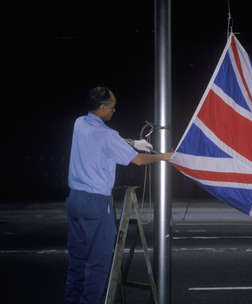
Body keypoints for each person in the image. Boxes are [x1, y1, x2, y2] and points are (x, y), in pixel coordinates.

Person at [65, 86, 173, 304]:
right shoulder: (107, 135)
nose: (114, 111)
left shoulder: (80, 123)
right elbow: (139, 160)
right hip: (96, 203)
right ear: (102, 107)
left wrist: (134, 142)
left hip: (75, 200)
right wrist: (166, 156)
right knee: (98, 263)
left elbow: (109, 141)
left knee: (77, 261)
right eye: (112, 107)